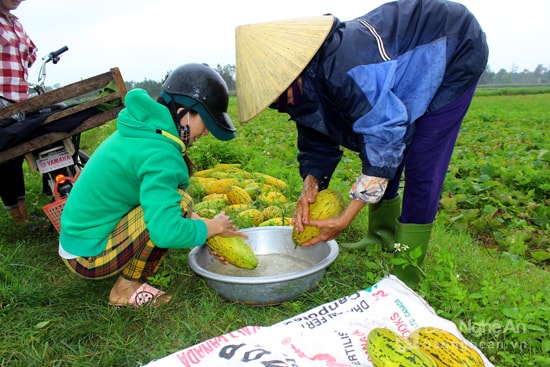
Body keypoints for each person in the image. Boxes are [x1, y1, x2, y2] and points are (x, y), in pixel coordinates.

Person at [235, 0, 488, 287]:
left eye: (275, 98)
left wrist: (346, 217)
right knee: (385, 150)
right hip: (407, 65)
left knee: (420, 160)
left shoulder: (344, 67)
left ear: (289, 75)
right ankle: (382, 235)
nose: (277, 105)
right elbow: (317, 138)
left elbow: (384, 136)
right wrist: (311, 180)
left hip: (453, 46)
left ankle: (407, 264)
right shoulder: (304, 84)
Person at [59, 63, 245, 307]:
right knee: (180, 203)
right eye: (207, 123)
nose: (207, 133)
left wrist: (209, 233)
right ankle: (124, 289)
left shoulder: (145, 130)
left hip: (79, 241)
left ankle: (126, 280)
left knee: (174, 205)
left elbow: (160, 202)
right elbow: (165, 230)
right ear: (184, 113)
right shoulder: (161, 154)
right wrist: (210, 226)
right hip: (87, 255)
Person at [0, 0, 37, 224]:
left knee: (15, 157)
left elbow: (31, 53)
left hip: (19, 99)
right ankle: (18, 219)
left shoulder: (16, 24)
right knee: (4, 158)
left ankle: (22, 216)